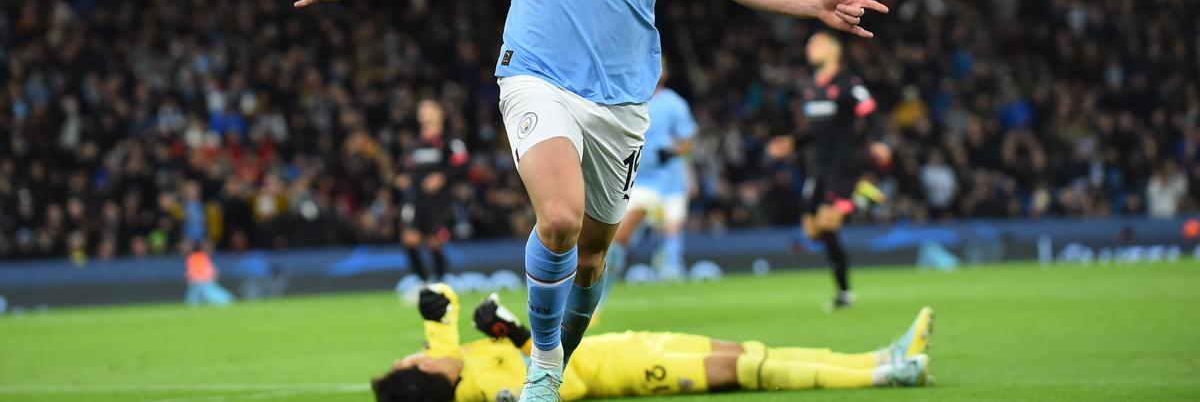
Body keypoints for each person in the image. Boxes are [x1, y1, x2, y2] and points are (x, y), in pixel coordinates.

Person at [285, 0, 888, 400]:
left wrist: (813, 2)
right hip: (534, 74)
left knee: (594, 253)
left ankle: (559, 354)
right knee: (562, 220)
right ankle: (544, 364)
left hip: (622, 99)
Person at [370, 284, 932, 401]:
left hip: (634, 342)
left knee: (758, 353)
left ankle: (884, 356)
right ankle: (888, 375)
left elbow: (439, 311)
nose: (416, 351)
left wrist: (439, 303)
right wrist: (517, 333)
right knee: (758, 369)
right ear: (427, 377)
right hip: (639, 371)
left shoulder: (453, 363)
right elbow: (570, 382)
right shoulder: (488, 390)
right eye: (412, 359)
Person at [795, 32, 890, 311]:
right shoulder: (809, 87)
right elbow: (815, 132)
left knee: (828, 222)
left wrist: (879, 141)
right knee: (814, 231)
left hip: (843, 164)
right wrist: (791, 142)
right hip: (818, 167)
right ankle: (844, 293)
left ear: (832, 50)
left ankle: (859, 196)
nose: (809, 47)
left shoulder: (849, 83)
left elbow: (872, 116)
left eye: (815, 43)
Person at [607, 58, 697, 288]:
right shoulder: (629, 101)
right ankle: (606, 274)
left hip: (669, 178)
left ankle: (671, 271)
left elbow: (688, 141)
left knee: (672, 225)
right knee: (622, 233)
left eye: (662, 66)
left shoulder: (674, 103)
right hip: (638, 179)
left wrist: (672, 154)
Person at [398, 99, 470, 282]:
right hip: (416, 199)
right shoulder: (415, 142)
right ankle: (422, 282)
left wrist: (442, 176)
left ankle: (439, 282)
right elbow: (410, 165)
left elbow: (462, 162)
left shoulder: (449, 140)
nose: (423, 112)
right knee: (409, 239)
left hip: (439, 200)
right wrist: (406, 177)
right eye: (421, 108)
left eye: (427, 108)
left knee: (433, 242)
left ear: (439, 113)